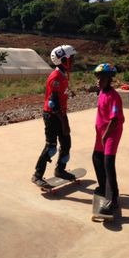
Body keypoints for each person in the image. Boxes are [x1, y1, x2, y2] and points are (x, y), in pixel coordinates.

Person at [33, 45, 77, 188]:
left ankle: (60, 170)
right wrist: (64, 122)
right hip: (52, 116)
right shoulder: (56, 77)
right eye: (72, 58)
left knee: (66, 144)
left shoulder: (64, 73)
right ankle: (37, 175)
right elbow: (53, 103)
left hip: (60, 114)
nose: (74, 61)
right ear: (64, 60)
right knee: (51, 147)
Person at [89, 63, 125, 220]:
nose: (98, 81)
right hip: (101, 133)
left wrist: (105, 136)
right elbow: (96, 90)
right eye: (97, 77)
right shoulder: (102, 91)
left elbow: (115, 119)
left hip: (111, 134)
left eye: (101, 78)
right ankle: (104, 187)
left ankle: (113, 199)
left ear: (109, 79)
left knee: (108, 163)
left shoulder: (113, 96)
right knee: (96, 159)